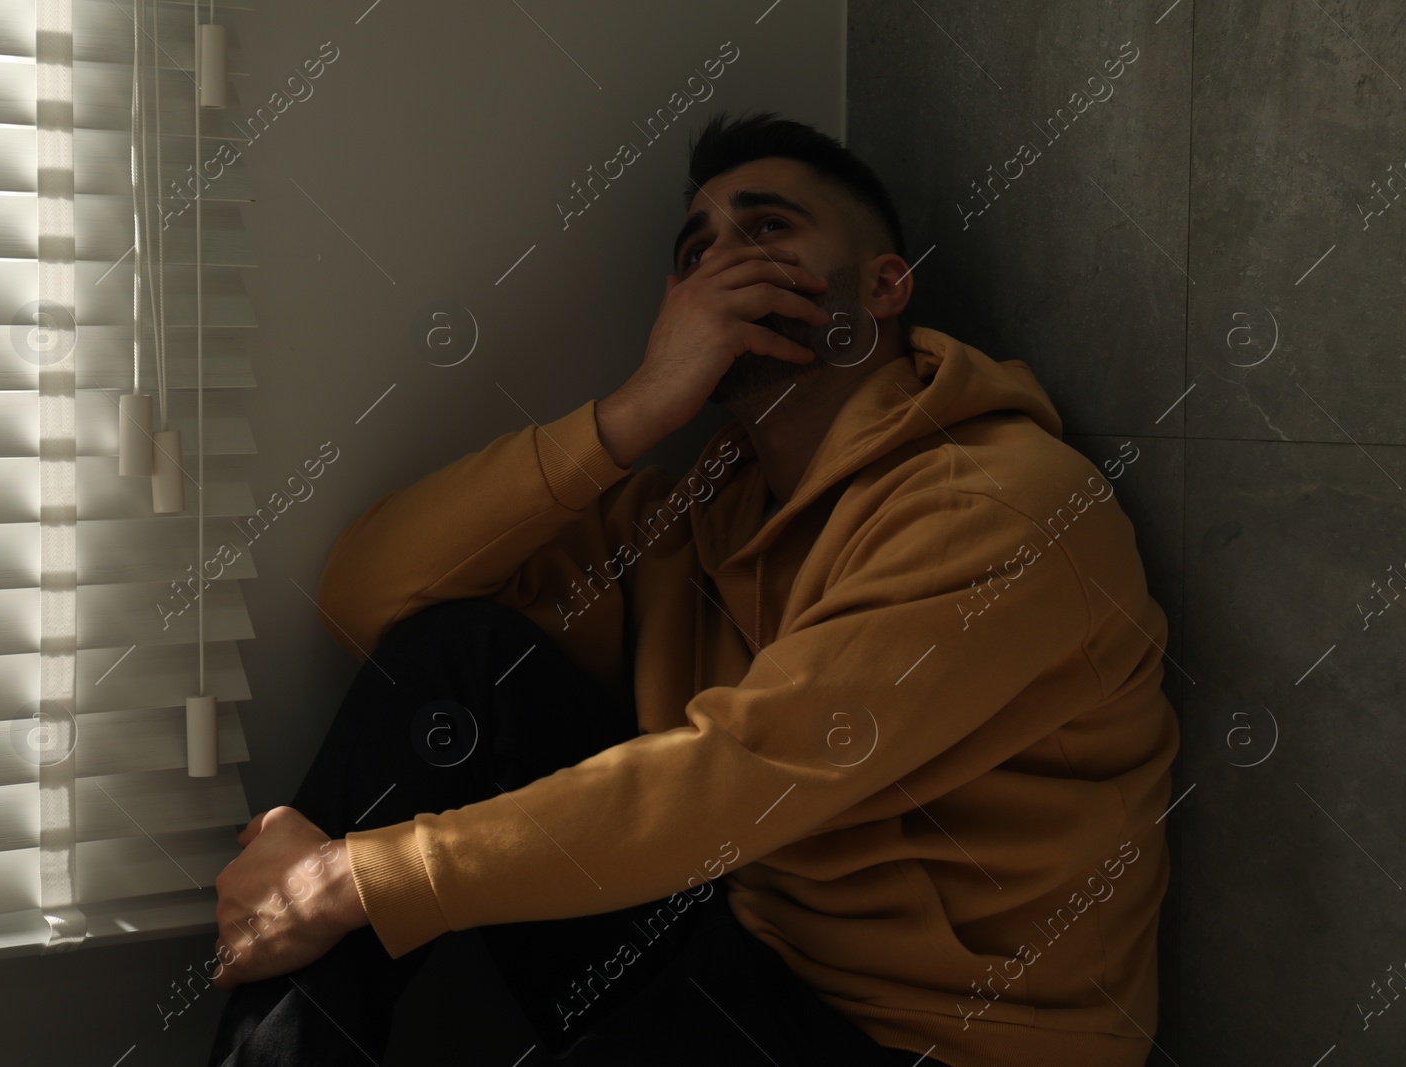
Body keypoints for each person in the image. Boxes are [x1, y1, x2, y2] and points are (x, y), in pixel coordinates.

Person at [205, 108, 1179, 1067]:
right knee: (453, 660)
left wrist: (349, 880)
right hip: (740, 960)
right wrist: (630, 413)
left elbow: (734, 780)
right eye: (693, 253)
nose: (721, 265)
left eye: (767, 228)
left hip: (921, 1039)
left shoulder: (998, 501)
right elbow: (371, 600)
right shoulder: (698, 512)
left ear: (884, 287)